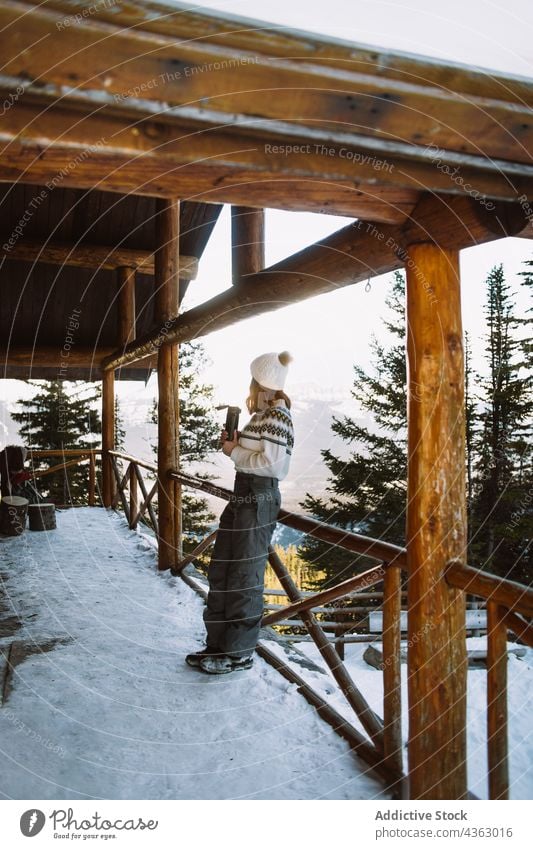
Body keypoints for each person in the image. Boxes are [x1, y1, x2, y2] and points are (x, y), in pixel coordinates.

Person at [186, 351, 295, 675]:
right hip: (243, 492)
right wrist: (236, 447)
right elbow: (255, 455)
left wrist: (234, 451)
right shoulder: (262, 416)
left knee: (244, 575)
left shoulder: (278, 417)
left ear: (260, 382)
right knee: (223, 569)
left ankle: (240, 652)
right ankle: (218, 644)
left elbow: (274, 466)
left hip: (258, 494)